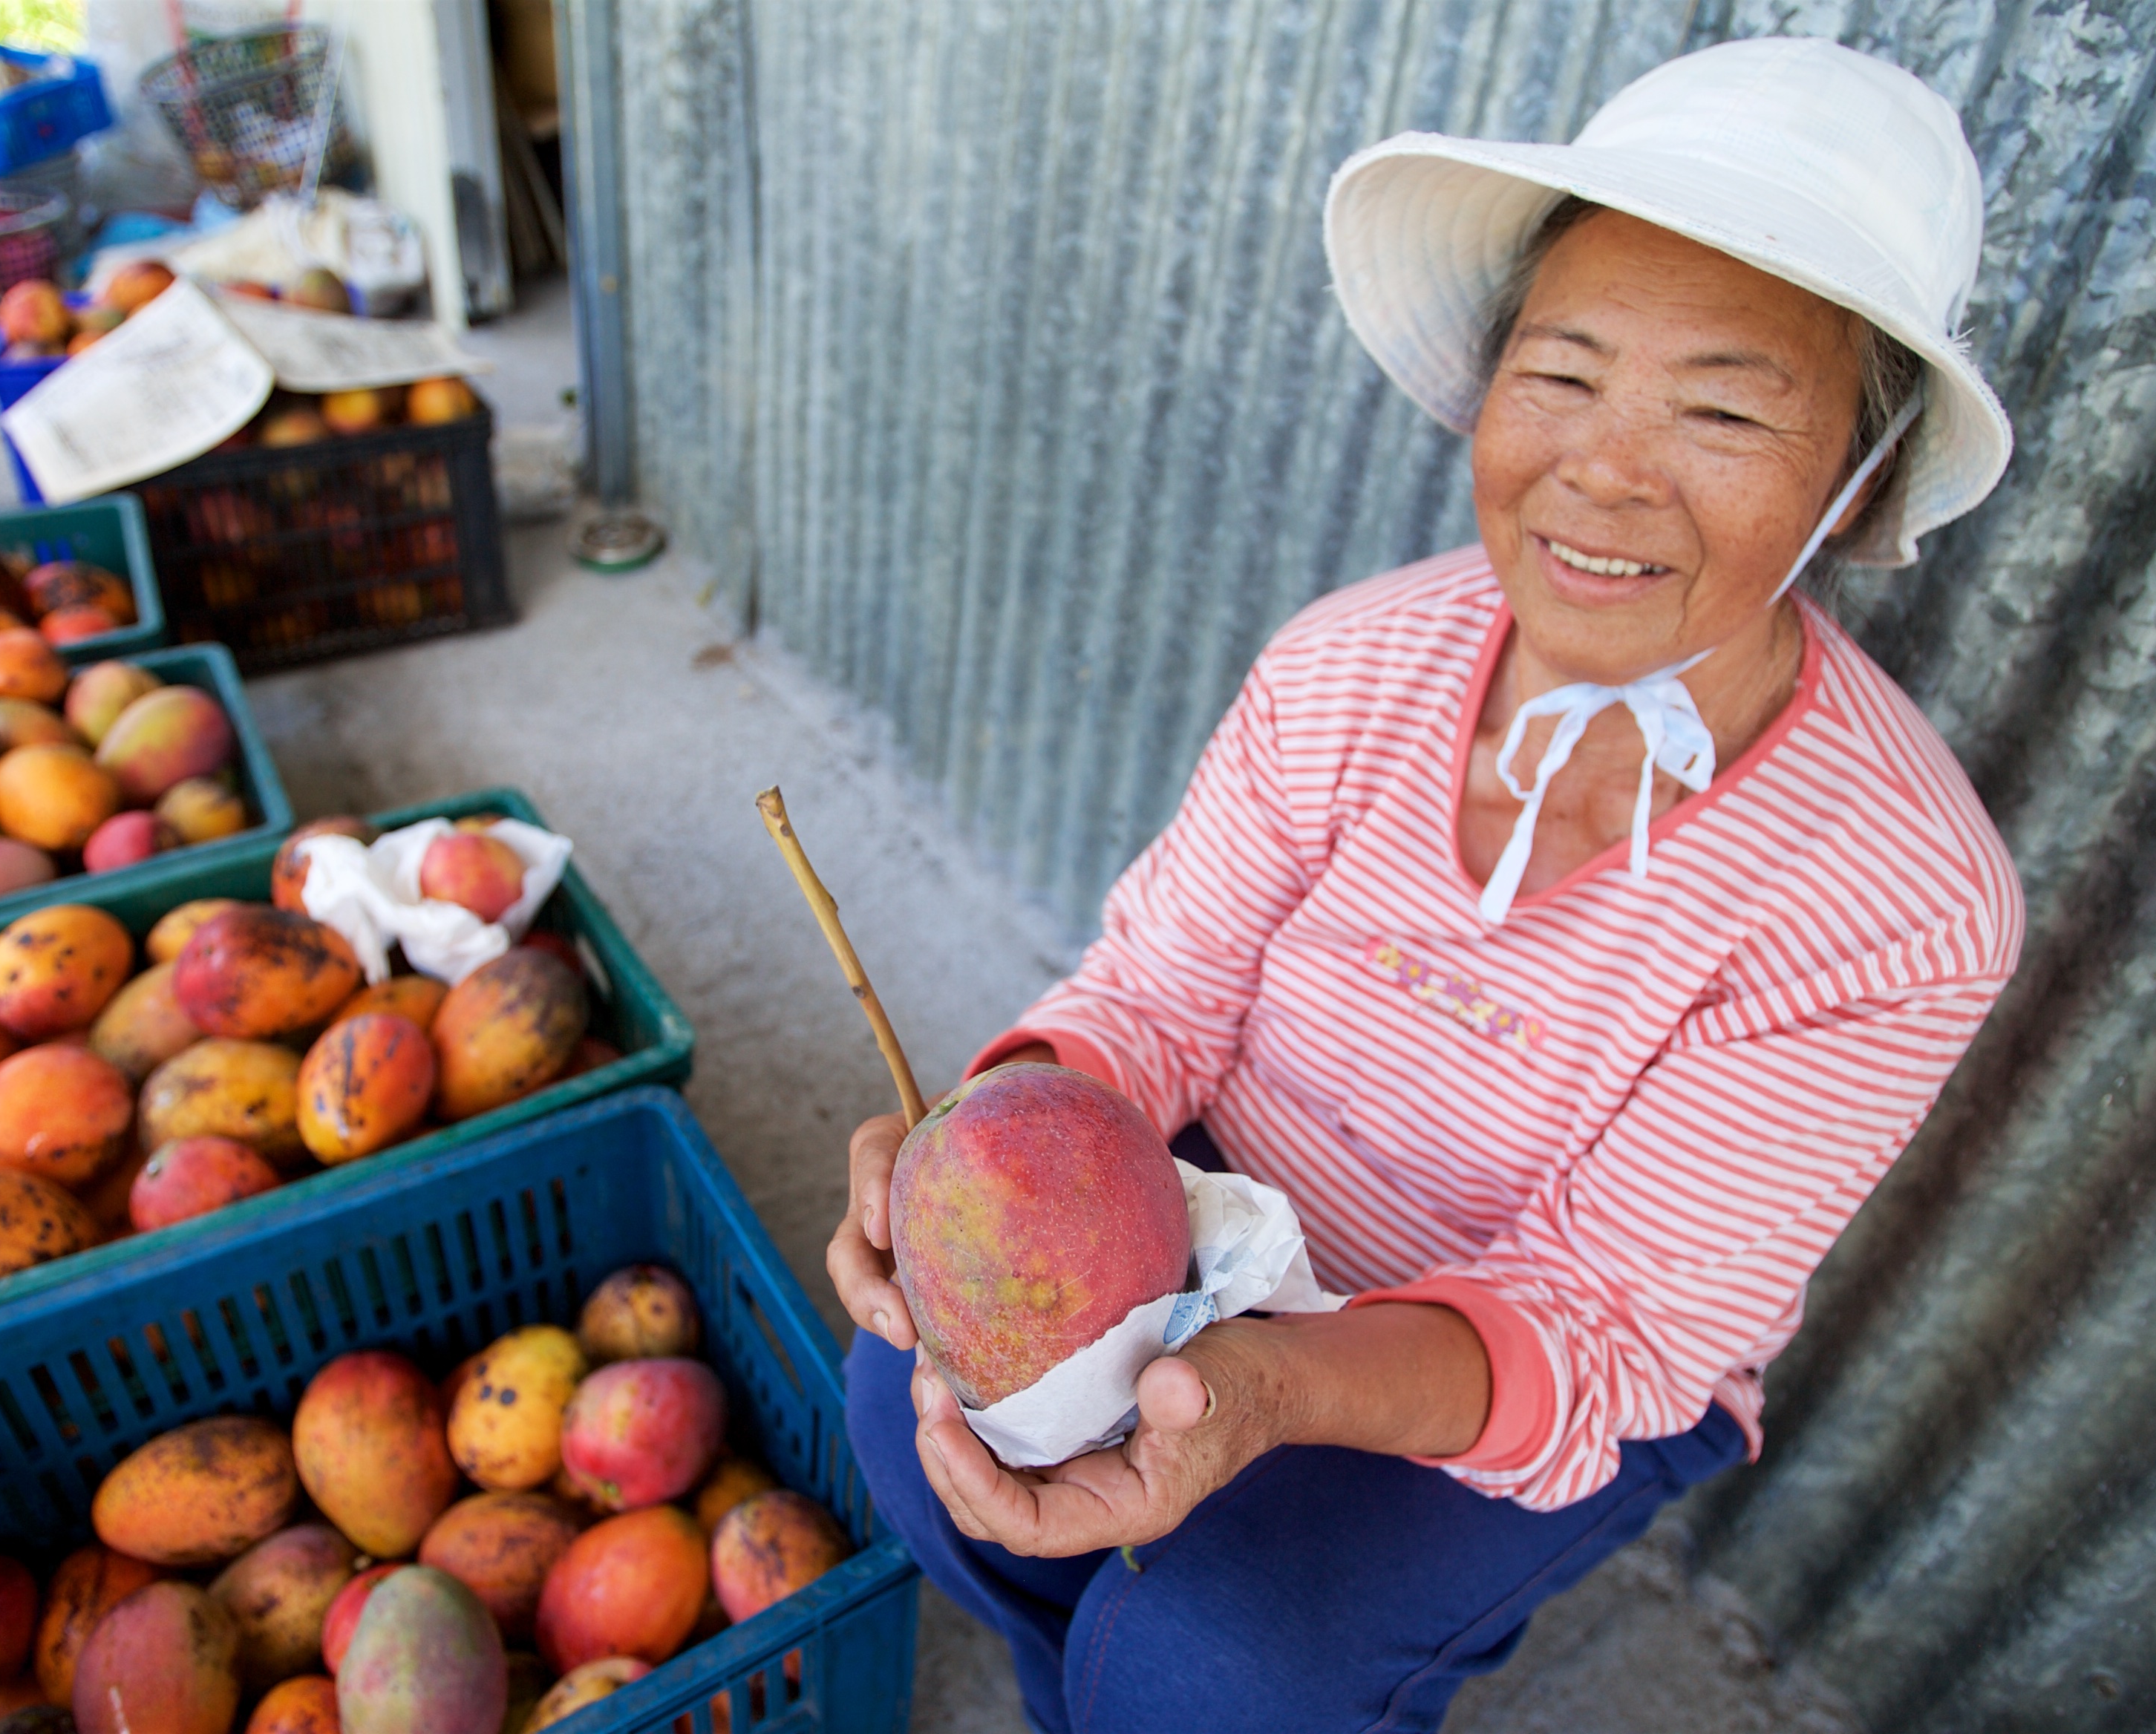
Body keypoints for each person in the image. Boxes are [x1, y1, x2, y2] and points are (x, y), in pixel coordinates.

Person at [828, 36, 2025, 1734]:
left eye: (1725, 410)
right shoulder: (1352, 667)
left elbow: (1609, 1318)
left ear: (1860, 480)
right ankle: (1066, 1682)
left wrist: (1253, 1396)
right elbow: (1155, 995)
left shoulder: (1902, 898)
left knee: (1220, 1667)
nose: (1604, 472)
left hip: (1537, 1352)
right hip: (1241, 1202)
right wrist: (985, 1147)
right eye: (1565, 373)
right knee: (907, 1405)